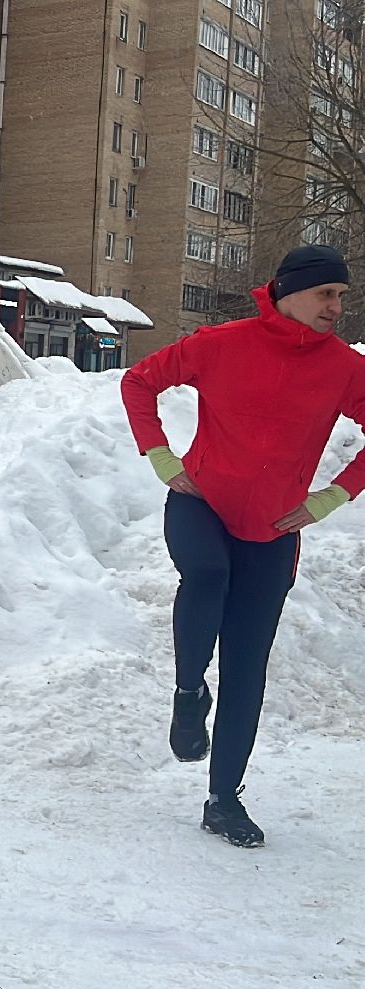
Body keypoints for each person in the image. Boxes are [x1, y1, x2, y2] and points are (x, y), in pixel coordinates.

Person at [120, 243, 365, 848]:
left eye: (341, 296)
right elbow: (139, 381)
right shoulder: (221, 343)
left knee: (248, 668)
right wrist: (159, 456)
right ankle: (186, 691)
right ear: (289, 293)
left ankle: (224, 798)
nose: (337, 306)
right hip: (201, 501)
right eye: (326, 294)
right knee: (204, 577)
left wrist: (329, 498)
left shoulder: (344, 368)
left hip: (275, 529)